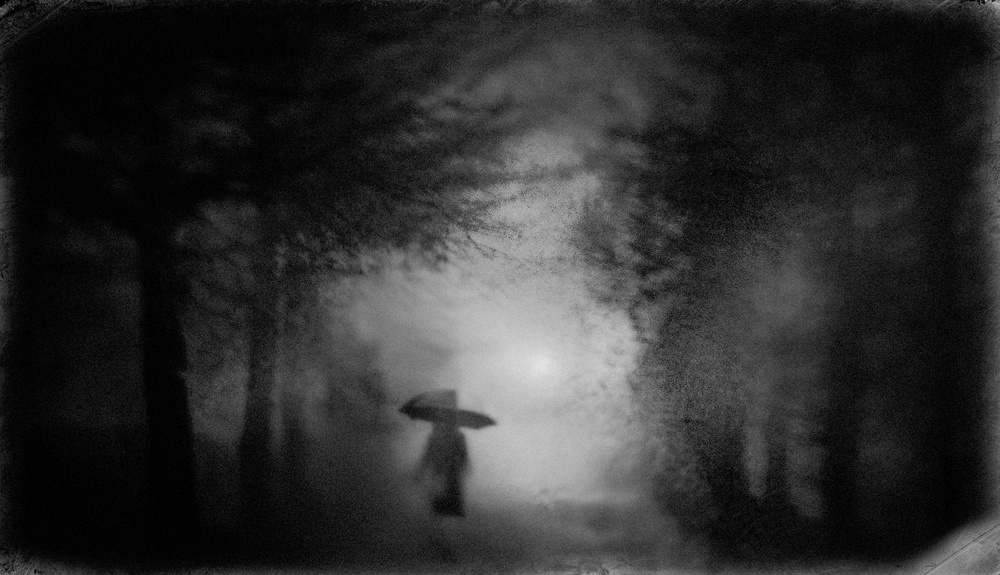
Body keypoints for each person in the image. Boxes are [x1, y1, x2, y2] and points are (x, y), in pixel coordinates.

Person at [419, 420, 469, 517]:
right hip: (449, 468)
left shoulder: (436, 436)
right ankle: (446, 511)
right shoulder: (458, 436)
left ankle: (440, 511)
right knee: (446, 490)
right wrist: (463, 464)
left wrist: (423, 467)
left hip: (443, 468)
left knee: (442, 489)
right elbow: (463, 454)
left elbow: (428, 454)